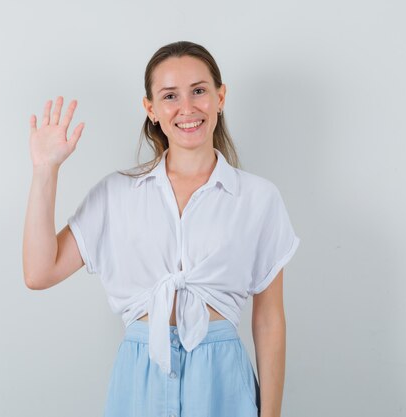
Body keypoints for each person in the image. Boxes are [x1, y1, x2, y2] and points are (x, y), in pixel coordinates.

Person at [23, 41, 300, 417]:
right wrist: (45, 171)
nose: (187, 108)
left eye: (199, 91)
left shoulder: (258, 198)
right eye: (170, 96)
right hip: (140, 376)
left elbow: (269, 320)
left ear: (220, 97)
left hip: (221, 380)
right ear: (151, 109)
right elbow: (40, 272)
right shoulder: (115, 194)